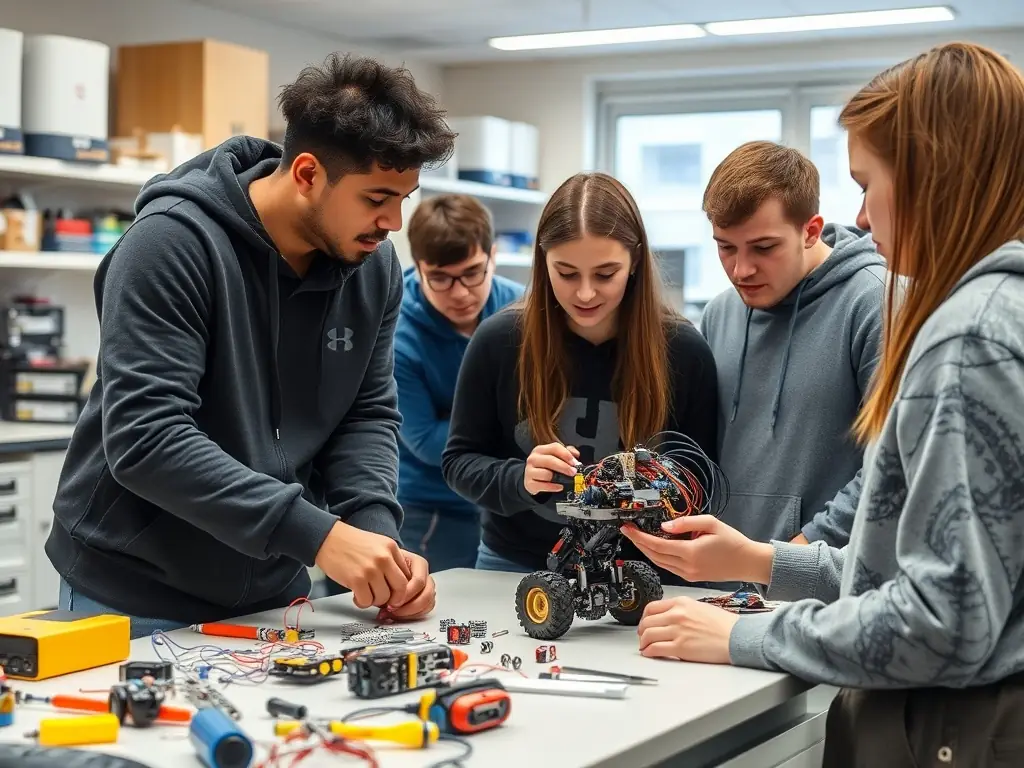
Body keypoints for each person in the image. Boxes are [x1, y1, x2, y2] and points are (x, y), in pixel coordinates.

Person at [624, 42, 1024, 764]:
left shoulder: (969, 336)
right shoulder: (1003, 314)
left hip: (954, 727)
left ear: (935, 176)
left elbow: (942, 619)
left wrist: (749, 635)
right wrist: (761, 560)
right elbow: (913, 565)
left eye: (870, 184)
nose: (863, 217)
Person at [45, 53, 457, 638]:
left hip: (272, 593)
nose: (393, 222)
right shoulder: (169, 245)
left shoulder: (373, 267)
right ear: (308, 174)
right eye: (375, 198)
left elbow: (363, 415)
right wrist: (321, 536)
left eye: (404, 198)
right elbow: (146, 438)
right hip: (132, 594)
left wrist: (374, 538)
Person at [441, 171, 720, 578]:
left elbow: (699, 474)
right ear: (543, 260)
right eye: (566, 274)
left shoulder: (683, 350)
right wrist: (521, 479)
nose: (585, 293)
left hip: (643, 571)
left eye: (605, 274)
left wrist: (646, 490)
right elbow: (459, 461)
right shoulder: (499, 340)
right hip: (515, 566)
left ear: (635, 260)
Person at [694, 141, 885, 549]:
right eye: (725, 247)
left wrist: (794, 555)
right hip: (718, 588)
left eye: (764, 248)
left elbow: (890, 465)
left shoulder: (874, 304)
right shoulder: (718, 315)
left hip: (820, 589)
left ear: (810, 231)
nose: (741, 270)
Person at [393, 193, 524, 571]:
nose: (461, 293)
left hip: (509, 500)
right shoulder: (398, 334)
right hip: (432, 508)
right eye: (440, 278)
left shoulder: (523, 312)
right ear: (418, 268)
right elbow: (424, 441)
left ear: (492, 255)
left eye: (472, 272)